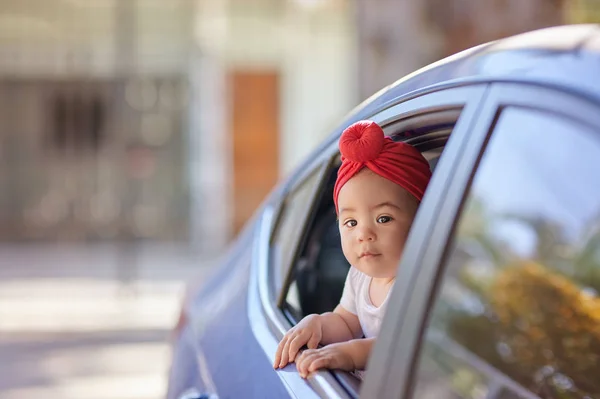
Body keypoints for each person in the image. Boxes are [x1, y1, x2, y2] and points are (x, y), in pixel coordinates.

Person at [273, 120, 432, 378]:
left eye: (383, 219)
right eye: (351, 222)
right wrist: (318, 324)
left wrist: (348, 355)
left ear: (423, 221)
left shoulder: (419, 282)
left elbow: (402, 346)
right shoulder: (361, 277)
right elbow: (346, 322)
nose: (363, 234)